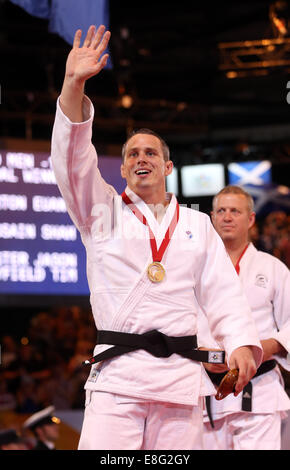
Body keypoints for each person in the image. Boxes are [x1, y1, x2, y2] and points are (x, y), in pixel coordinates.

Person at [50, 24, 263, 450]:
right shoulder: (101, 211)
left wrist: (241, 344)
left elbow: (224, 295)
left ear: (168, 167)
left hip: (178, 383)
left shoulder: (199, 224)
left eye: (151, 153)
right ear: (124, 170)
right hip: (118, 383)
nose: (141, 158)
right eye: (132, 154)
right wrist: (73, 85)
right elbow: (73, 161)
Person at [198, 185, 290, 450]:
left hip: (258, 391)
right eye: (221, 211)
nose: (227, 217)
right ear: (212, 218)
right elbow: (180, 322)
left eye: (235, 211)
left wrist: (256, 349)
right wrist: (200, 354)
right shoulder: (195, 269)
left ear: (250, 219)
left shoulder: (272, 269)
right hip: (207, 392)